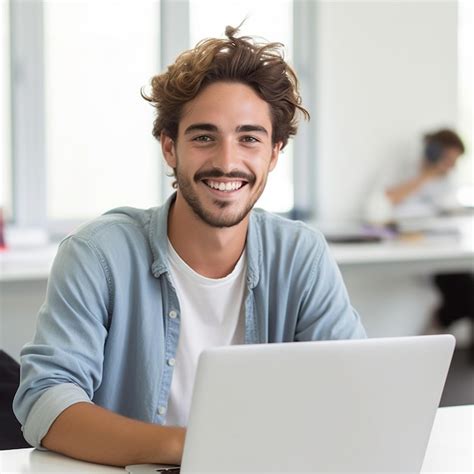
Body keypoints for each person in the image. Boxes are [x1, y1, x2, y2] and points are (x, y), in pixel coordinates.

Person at [13, 26, 366, 467]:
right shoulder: (97, 255)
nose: (226, 161)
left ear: (274, 154)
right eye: (203, 137)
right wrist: (196, 446)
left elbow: (353, 390)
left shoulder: (300, 254)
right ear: (169, 148)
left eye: (249, 138)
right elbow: (47, 403)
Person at [365, 129, 473, 356]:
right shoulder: (404, 170)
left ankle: (434, 335)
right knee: (463, 293)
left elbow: (447, 208)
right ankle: (432, 334)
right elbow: (381, 204)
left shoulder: (446, 180)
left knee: (465, 290)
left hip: (439, 248)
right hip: (404, 245)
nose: (452, 167)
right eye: (449, 160)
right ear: (433, 153)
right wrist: (427, 174)